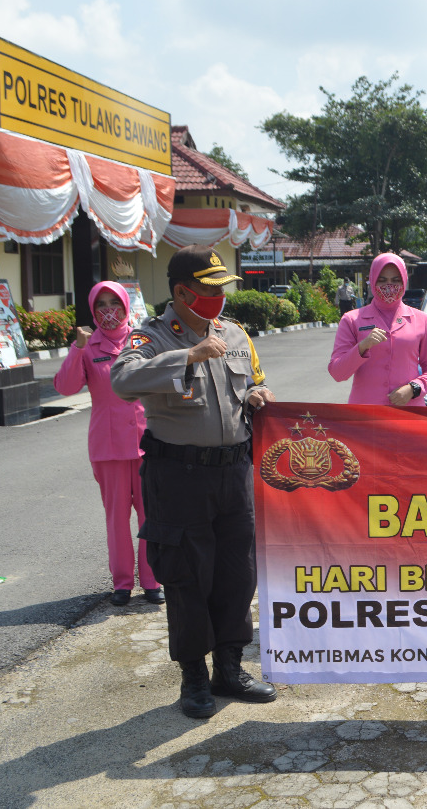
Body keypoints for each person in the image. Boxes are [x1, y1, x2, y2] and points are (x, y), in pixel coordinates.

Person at [110, 245, 278, 718]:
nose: (220, 296)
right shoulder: (154, 336)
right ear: (184, 292)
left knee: (236, 573)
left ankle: (229, 668)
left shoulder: (236, 333)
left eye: (222, 287)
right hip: (179, 476)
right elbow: (122, 381)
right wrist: (189, 355)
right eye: (210, 288)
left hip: (233, 471)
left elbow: (253, 383)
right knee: (187, 578)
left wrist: (258, 393)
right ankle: (194, 678)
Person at [53, 281, 161, 607]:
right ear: (92, 309)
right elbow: (66, 387)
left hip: (147, 444)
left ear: (127, 304)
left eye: (114, 301)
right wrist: (77, 349)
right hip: (107, 446)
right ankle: (123, 584)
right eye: (101, 304)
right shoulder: (88, 346)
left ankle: (153, 581)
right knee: (116, 518)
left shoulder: (143, 341)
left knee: (151, 515)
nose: (108, 310)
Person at [328, 253, 427, 405]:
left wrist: (414, 388)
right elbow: (338, 373)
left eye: (395, 280)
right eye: (382, 280)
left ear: (404, 281)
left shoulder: (422, 320)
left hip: (409, 414)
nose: (389, 286)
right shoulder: (351, 320)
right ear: (373, 281)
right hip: (365, 414)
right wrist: (362, 346)